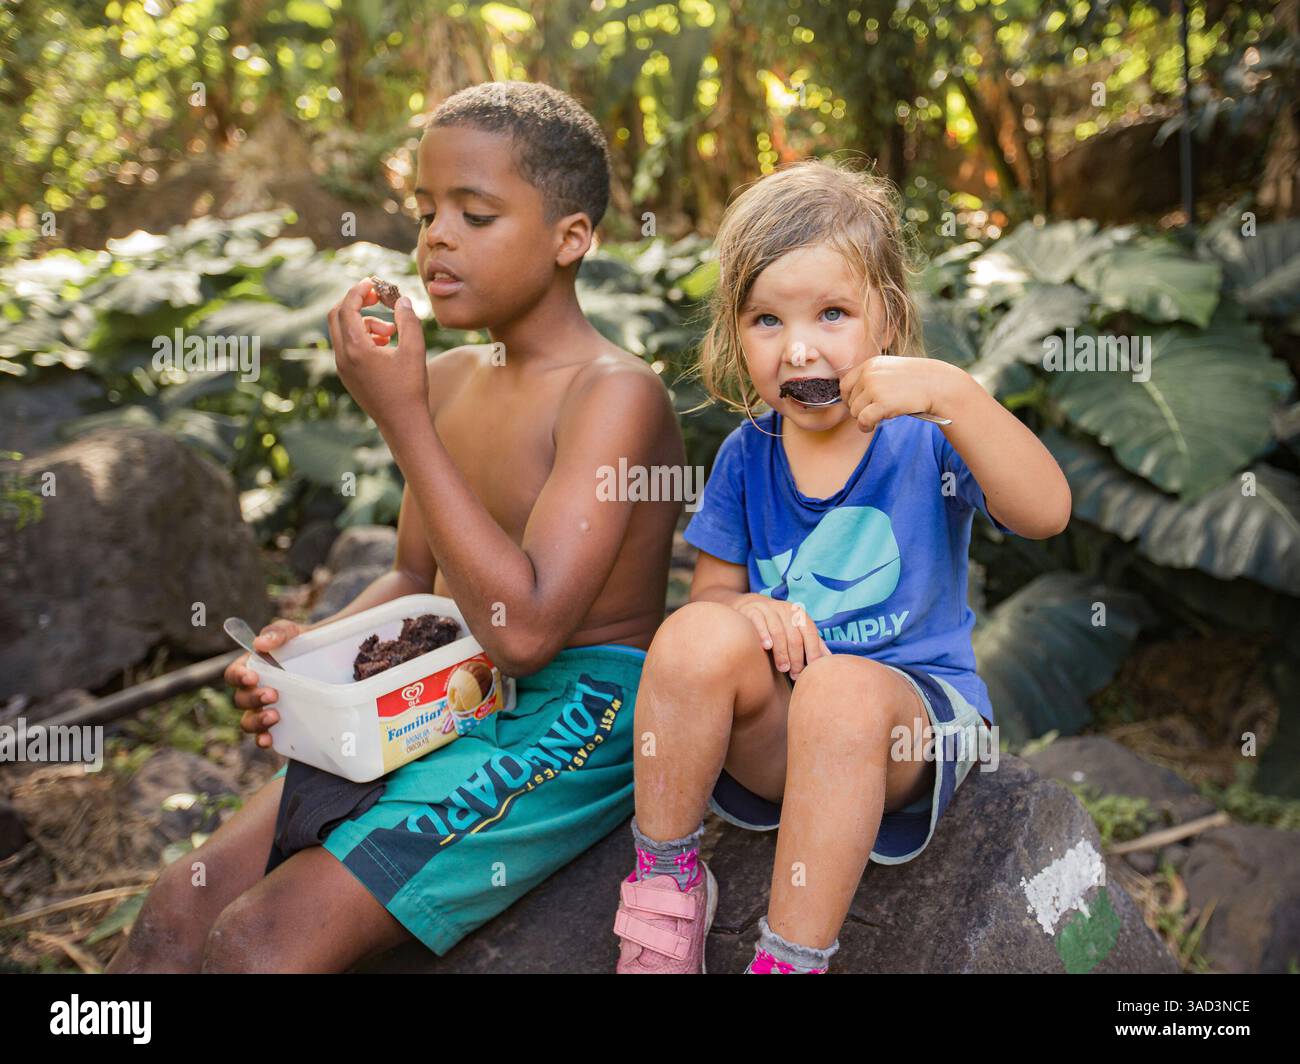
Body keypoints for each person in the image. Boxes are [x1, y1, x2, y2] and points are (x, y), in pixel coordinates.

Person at [108, 81, 685, 973]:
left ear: (572, 237)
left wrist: (400, 419)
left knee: (255, 945)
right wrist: (307, 658)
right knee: (172, 918)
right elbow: (413, 580)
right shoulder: (449, 379)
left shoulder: (613, 393)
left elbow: (529, 633)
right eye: (425, 212)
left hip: (570, 707)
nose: (436, 237)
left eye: (475, 213)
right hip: (441, 676)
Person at [610, 157, 1071, 974]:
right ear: (732, 331)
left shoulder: (926, 437)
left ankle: (790, 958)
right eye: (765, 321)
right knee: (688, 639)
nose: (797, 349)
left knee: (843, 691)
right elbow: (711, 598)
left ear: (886, 320)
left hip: (902, 730)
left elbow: (1045, 513)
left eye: (830, 313)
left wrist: (958, 397)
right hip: (785, 737)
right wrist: (744, 610)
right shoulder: (745, 458)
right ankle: (668, 887)